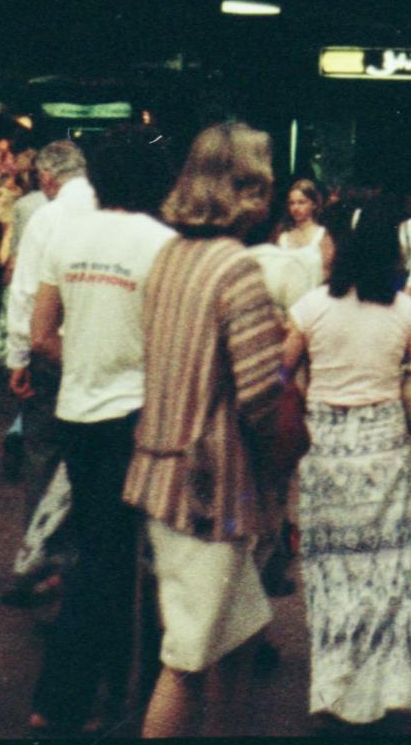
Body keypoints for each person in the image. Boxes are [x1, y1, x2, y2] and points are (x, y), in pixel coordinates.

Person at [124, 122, 286, 738]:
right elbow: (261, 397)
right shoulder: (236, 268)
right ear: (247, 188)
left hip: (159, 472)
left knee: (239, 634)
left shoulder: (168, 257)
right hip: (210, 491)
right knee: (187, 658)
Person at [28, 127, 173, 738]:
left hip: (77, 413)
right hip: (137, 418)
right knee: (124, 562)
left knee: (100, 551)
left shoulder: (68, 234)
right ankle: (82, 698)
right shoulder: (163, 245)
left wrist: (85, 361)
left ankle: (93, 693)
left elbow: (41, 332)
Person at [283, 196, 411, 724]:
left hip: (326, 445)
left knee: (333, 568)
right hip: (384, 444)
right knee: (385, 568)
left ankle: (334, 687)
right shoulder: (405, 309)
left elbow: (281, 371)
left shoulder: (312, 307)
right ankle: (386, 686)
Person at [4, 139, 95, 607]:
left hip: (48, 351)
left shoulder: (45, 216)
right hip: (95, 353)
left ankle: (37, 563)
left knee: (42, 453)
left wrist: (17, 356)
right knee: (90, 459)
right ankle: (80, 563)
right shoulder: (107, 210)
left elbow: (24, 291)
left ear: (46, 177)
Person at [275, 178, 332, 286]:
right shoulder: (283, 237)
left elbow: (327, 276)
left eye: (301, 202)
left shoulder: (321, 235)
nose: (295, 208)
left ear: (314, 204)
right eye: (292, 203)